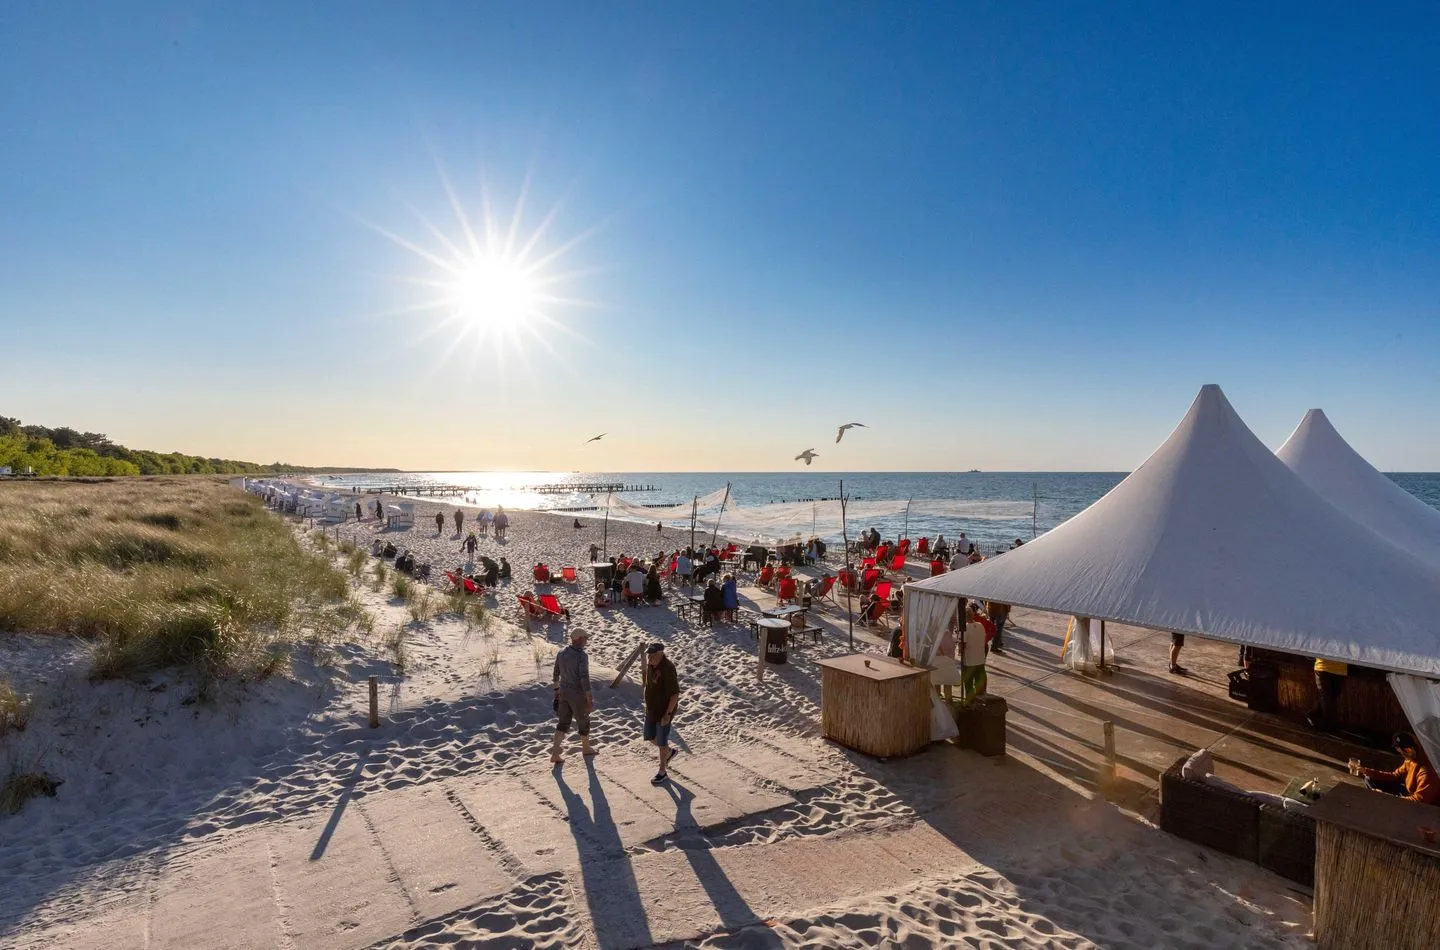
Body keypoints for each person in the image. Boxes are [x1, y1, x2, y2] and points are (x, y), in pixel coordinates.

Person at [1353, 733, 1439, 804]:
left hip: (1422, 807)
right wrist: (1366, 771)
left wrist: (1388, 797)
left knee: (1382, 796)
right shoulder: (1410, 760)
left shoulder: (1427, 770)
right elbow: (1395, 775)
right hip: (1409, 793)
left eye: (1402, 752)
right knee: (1369, 778)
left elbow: (1419, 801)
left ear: (1409, 750)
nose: (1402, 755)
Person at [550, 628, 596, 763]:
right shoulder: (582, 656)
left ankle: (555, 753)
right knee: (583, 721)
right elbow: (584, 678)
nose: (586, 641)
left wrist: (556, 691)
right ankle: (586, 748)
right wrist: (589, 697)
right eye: (585, 638)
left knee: (562, 723)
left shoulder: (561, 653)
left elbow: (555, 674)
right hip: (577, 693)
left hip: (563, 692)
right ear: (579, 638)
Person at [643, 643, 680, 784]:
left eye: (652, 655)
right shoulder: (651, 665)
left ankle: (662, 771)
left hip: (664, 711)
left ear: (660, 654)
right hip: (651, 708)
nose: (649, 657)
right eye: (649, 655)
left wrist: (668, 714)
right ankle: (669, 753)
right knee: (650, 736)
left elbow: (675, 694)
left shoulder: (668, 669)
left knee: (662, 741)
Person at [961, 602, 993, 702]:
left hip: (970, 661)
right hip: (980, 658)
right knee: (979, 682)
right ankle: (979, 703)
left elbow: (963, 646)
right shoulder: (980, 625)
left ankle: (970, 703)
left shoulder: (965, 629)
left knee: (969, 684)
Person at [1308, 657, 1347, 730]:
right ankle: (1316, 719)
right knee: (1330, 698)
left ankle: (1324, 723)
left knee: (1324, 697)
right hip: (1340, 669)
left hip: (1323, 667)